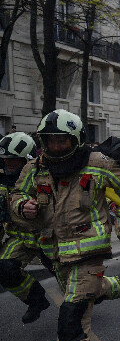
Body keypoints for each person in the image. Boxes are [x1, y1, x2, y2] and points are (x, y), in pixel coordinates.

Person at [11, 109, 120, 341]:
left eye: (62, 140)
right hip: (53, 253)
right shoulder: (34, 169)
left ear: (77, 139)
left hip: (89, 252)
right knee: (88, 293)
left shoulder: (97, 163)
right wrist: (22, 206)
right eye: (50, 140)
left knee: (71, 319)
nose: (56, 146)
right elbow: (17, 195)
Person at [0, 132, 51, 324]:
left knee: (78, 285)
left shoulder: (46, 176)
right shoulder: (2, 182)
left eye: (14, 160)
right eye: (5, 160)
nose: (8, 164)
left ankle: (117, 286)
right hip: (20, 238)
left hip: (49, 237)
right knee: (4, 268)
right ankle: (37, 301)